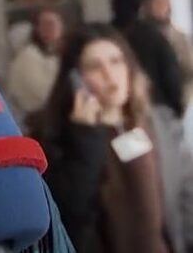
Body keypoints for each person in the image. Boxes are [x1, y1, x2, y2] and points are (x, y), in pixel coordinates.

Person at [28, 23, 193, 253]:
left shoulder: (158, 123)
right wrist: (84, 137)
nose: (109, 74)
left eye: (116, 61)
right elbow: (70, 214)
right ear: (76, 79)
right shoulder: (59, 137)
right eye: (95, 66)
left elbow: (186, 197)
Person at [111, 0, 184, 117]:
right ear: (141, 5)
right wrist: (178, 107)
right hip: (156, 106)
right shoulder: (153, 35)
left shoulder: (106, 36)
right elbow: (170, 74)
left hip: (120, 108)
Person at [7, 8, 65, 117]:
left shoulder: (64, 53)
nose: (51, 28)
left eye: (54, 23)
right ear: (37, 29)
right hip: (41, 117)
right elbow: (41, 95)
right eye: (45, 24)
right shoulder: (28, 56)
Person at [145, 0, 193, 109]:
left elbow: (189, 68)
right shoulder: (143, 36)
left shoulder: (182, 37)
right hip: (155, 102)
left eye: (164, 1)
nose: (161, 6)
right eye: (156, 2)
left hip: (182, 98)